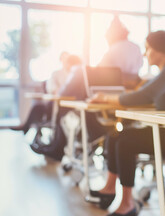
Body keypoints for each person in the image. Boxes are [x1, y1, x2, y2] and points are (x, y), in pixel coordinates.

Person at [88, 30, 165, 216]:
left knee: (125, 142)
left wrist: (104, 97)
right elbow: (147, 95)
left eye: (147, 48)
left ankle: (127, 204)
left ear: (158, 50)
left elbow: (142, 96)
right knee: (114, 136)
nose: (144, 53)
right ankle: (109, 188)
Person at [30, 16, 143, 159]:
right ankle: (60, 147)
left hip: (110, 98)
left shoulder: (113, 50)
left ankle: (58, 148)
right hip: (128, 94)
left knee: (68, 109)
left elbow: (99, 74)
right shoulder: (135, 48)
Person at [10, 52, 82, 134]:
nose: (65, 62)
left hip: (70, 107)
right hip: (56, 104)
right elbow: (55, 91)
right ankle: (26, 127)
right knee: (37, 107)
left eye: (67, 60)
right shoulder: (56, 74)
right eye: (64, 59)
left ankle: (26, 127)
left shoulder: (77, 75)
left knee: (37, 108)